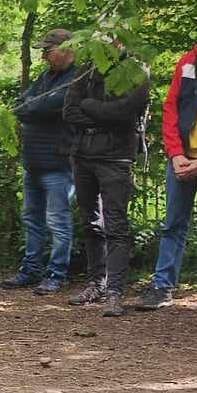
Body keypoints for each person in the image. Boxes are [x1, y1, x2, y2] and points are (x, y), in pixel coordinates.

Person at [62, 45, 150, 318]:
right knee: (90, 221)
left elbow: (125, 112)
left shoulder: (137, 70)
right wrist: (103, 112)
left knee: (116, 225)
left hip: (116, 158)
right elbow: (69, 111)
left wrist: (89, 106)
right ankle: (96, 284)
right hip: (83, 154)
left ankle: (115, 292)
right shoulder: (86, 69)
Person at [138, 0, 197, 314]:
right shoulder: (189, 60)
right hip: (181, 161)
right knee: (173, 224)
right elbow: (170, 108)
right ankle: (162, 287)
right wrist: (176, 154)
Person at [0, 28, 77, 294]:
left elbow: (44, 106)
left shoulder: (76, 79)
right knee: (32, 219)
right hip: (33, 161)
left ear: (66, 48)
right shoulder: (46, 77)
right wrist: (34, 106)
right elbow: (22, 105)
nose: (44, 57)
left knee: (57, 221)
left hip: (59, 163)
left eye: (48, 51)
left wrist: (33, 106)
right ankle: (31, 269)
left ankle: (57, 274)